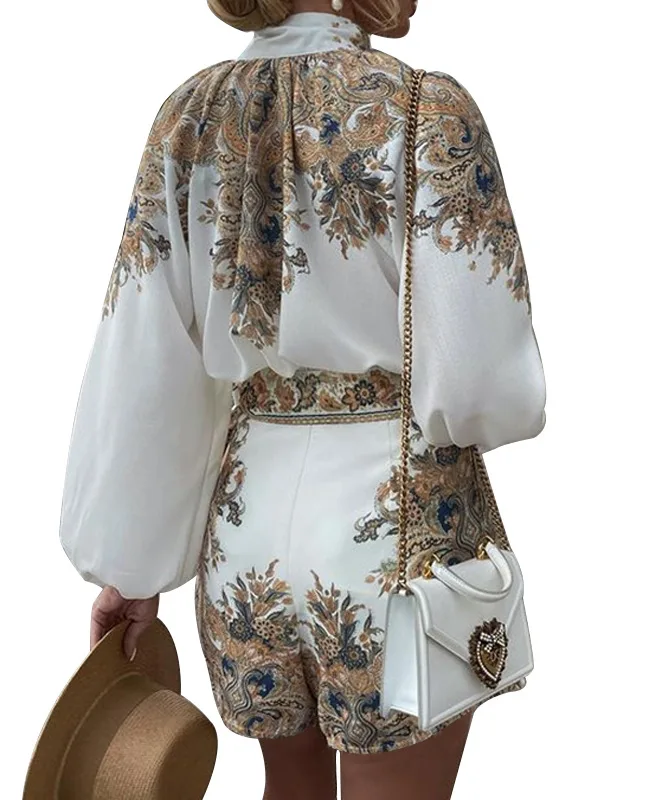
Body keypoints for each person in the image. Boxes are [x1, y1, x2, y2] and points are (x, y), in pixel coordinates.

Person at [59, 1, 547, 798]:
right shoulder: (423, 107)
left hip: (246, 538)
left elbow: (142, 360)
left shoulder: (188, 118)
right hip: (390, 535)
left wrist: (130, 570)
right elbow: (484, 379)